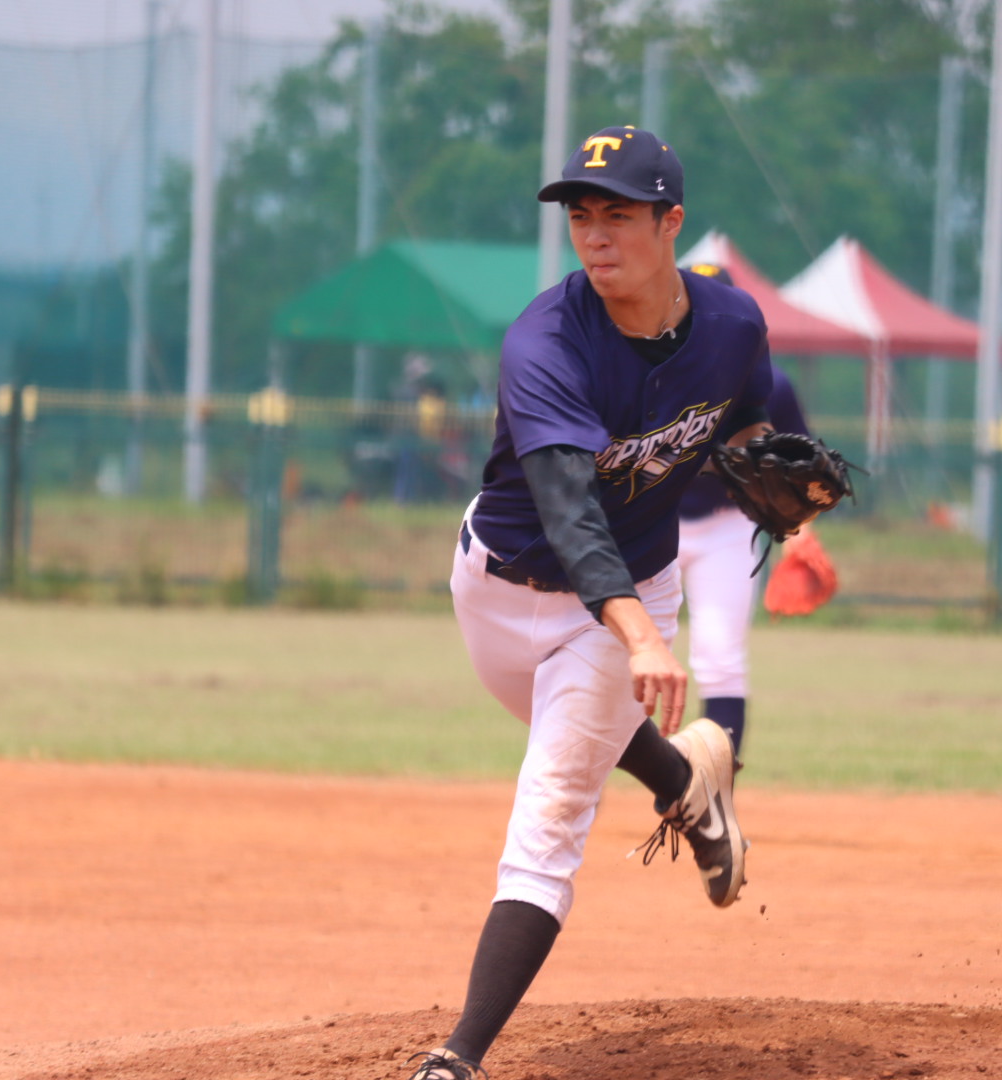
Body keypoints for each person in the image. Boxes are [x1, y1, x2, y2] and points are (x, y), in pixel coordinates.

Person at [408, 126, 775, 1080]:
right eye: (581, 215)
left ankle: (457, 1057)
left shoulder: (734, 324)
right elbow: (570, 511)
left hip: (628, 588)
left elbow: (751, 416)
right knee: (585, 731)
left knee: (555, 803)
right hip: (496, 588)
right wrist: (643, 638)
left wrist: (783, 501)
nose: (595, 234)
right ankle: (688, 782)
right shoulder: (545, 342)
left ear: (671, 221)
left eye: (618, 213)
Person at [676, 262, 813, 757]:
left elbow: (801, 473)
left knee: (720, 660)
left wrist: (801, 532)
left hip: (728, 528)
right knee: (618, 657)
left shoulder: (771, 385)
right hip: (650, 523)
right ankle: (591, 781)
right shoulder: (648, 373)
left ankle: (711, 790)